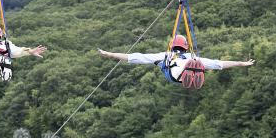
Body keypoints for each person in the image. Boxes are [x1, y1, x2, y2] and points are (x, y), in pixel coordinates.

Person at [97, 34, 254, 84]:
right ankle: (193, 74)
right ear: (185, 46)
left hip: (175, 74)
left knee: (193, 63)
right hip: (185, 70)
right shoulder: (192, 57)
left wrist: (109, 54)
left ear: (172, 46)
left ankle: (190, 73)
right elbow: (219, 64)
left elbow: (134, 58)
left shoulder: (164, 56)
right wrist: (240, 63)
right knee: (201, 63)